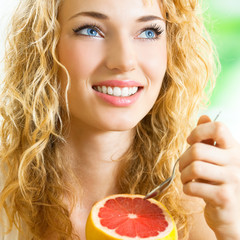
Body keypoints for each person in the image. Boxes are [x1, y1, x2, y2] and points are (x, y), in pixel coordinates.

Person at [0, 0, 239, 239]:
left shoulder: (205, 205)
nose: (124, 61)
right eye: (91, 30)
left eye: (148, 32)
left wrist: (231, 231)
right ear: (43, 45)